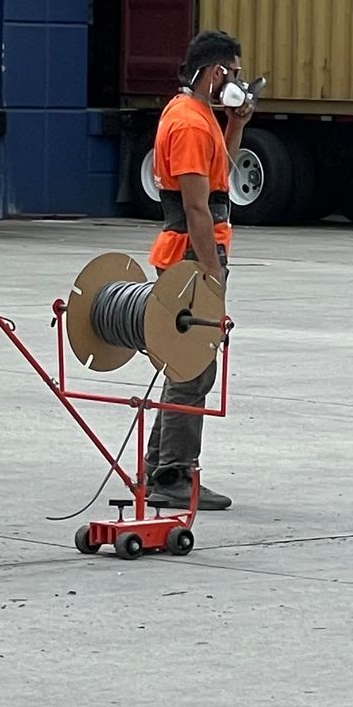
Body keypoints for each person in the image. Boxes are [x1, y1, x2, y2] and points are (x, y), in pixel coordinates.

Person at [145, 29, 251, 511]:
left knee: (185, 364)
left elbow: (220, 175)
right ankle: (174, 474)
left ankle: (159, 467)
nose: (238, 82)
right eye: (233, 73)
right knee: (193, 368)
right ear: (215, 72)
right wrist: (210, 277)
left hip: (195, 256)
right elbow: (197, 207)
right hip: (193, 258)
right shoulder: (188, 123)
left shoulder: (199, 115)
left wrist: (236, 124)